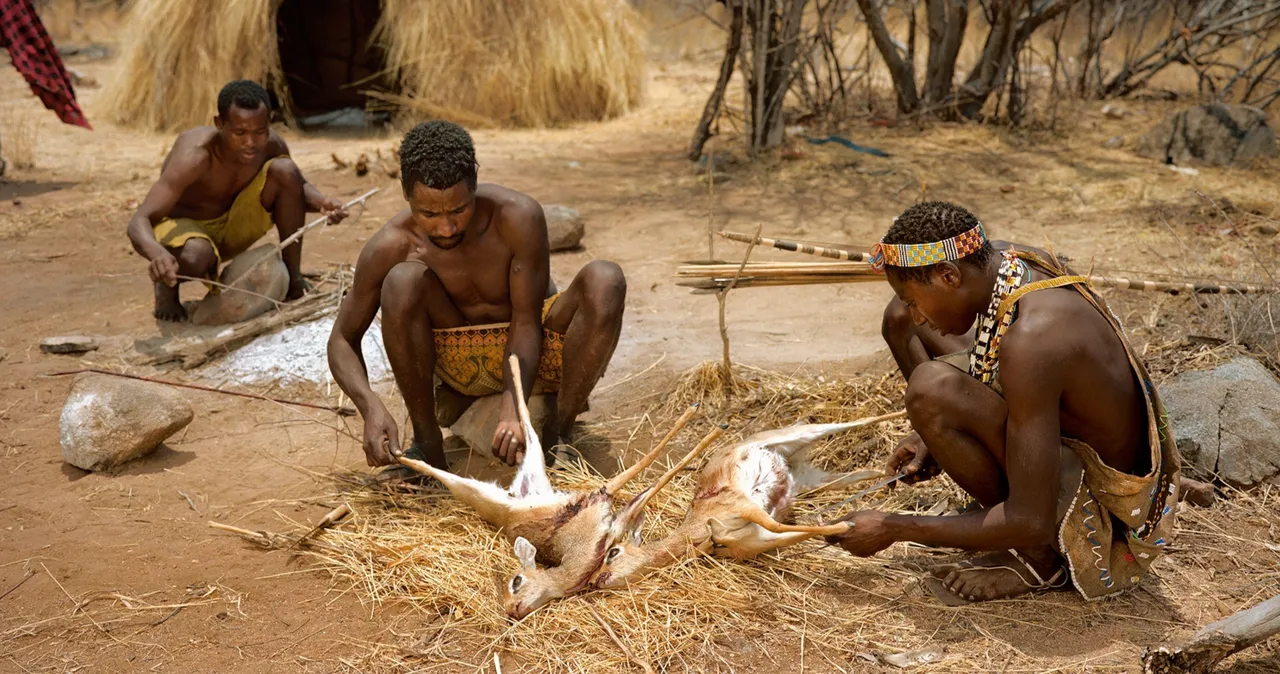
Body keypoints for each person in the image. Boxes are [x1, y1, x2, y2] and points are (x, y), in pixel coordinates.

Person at [825, 201, 1186, 604]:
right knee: (899, 321)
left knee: (930, 391)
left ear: (949, 275)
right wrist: (934, 434)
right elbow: (937, 328)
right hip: (1053, 428)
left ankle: (1041, 561)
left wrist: (894, 527)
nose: (919, 316)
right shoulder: (1007, 260)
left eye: (916, 300)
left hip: (1102, 510)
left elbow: (1029, 519)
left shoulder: (1033, 341)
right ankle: (952, 440)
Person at [327, 120, 626, 472]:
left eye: (459, 209)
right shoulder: (391, 245)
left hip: (536, 347)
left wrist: (513, 406)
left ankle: (558, 435)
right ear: (406, 194)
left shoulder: (517, 217)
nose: (446, 227)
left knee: (606, 279)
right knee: (401, 281)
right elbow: (342, 339)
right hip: (460, 364)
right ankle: (426, 445)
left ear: (474, 185)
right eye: (428, 214)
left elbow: (527, 321)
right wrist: (370, 407)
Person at [126, 80, 349, 321]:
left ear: (269, 122)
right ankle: (167, 286)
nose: (250, 142)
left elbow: (294, 189)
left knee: (285, 169)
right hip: (186, 231)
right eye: (239, 133)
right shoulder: (195, 156)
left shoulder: (272, 146)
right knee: (196, 256)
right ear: (219, 124)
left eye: (259, 132)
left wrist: (322, 202)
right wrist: (157, 254)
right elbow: (140, 220)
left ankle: (293, 278)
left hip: (234, 224)